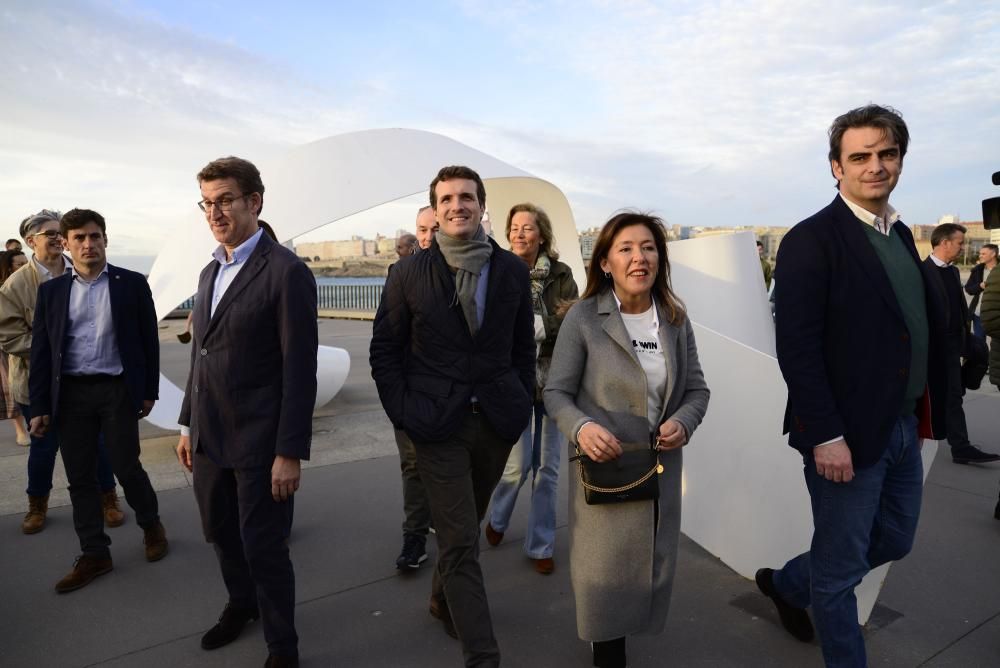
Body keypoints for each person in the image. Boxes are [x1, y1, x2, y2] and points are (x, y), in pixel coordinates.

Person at [758, 104, 948, 667]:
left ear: (900, 161)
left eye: (886, 154)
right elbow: (797, 348)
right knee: (840, 574)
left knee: (894, 540)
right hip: (843, 435)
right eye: (860, 156)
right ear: (836, 167)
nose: (875, 166)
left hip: (900, 425)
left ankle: (787, 584)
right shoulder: (811, 241)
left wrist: (919, 417)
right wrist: (825, 434)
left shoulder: (900, 238)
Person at [370, 165, 534, 667]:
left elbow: (520, 348)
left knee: (466, 523)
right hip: (436, 426)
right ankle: (482, 656)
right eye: (446, 199)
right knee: (462, 540)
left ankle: (442, 597)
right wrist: (406, 414)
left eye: (467, 197)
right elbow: (385, 352)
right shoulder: (407, 273)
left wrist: (520, 400)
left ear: (482, 205)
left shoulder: (510, 271)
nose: (457, 205)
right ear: (435, 209)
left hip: (495, 423)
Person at [544, 212, 710, 668]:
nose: (640, 257)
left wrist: (684, 422)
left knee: (647, 571)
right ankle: (606, 648)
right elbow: (555, 392)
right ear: (605, 263)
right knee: (603, 579)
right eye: (626, 249)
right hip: (606, 470)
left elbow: (697, 390)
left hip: (658, 469)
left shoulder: (675, 319)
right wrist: (582, 428)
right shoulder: (583, 318)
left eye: (649, 247)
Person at [175, 156, 317, 668]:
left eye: (225, 200)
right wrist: (188, 422)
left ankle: (283, 646)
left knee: (265, 546)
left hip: (260, 441)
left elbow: (300, 370)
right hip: (211, 436)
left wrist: (289, 452)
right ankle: (241, 604)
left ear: (254, 202)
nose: (215, 212)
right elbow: (201, 355)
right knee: (219, 532)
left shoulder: (286, 272)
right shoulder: (210, 270)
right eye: (207, 203)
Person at [28, 208, 167, 593]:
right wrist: (40, 404)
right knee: (80, 476)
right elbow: (42, 351)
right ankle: (94, 553)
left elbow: (147, 342)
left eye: (94, 236)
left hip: (116, 389)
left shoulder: (132, 284)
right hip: (71, 395)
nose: (88, 244)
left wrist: (148, 390)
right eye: (79, 238)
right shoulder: (52, 292)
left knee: (126, 465)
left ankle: (151, 525)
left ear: (105, 239)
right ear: (66, 245)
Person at [0, 210, 124, 534]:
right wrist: (52, 351)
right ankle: (36, 505)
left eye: (60, 232)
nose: (58, 237)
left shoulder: (82, 272)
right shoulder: (16, 285)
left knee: (98, 443)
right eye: (49, 233)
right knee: (43, 447)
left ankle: (108, 498)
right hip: (36, 383)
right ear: (30, 242)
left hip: (82, 382)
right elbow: (9, 335)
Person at [485, 203, 579, 575]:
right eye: (514, 228)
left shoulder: (561, 273)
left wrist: (533, 329)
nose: (519, 234)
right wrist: (537, 327)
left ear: (542, 234)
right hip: (515, 381)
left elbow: (568, 321)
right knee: (517, 466)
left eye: (528, 227)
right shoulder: (500, 270)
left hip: (555, 381)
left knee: (549, 469)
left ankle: (540, 545)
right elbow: (493, 325)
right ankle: (497, 517)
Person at [924, 224, 1000, 465]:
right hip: (933, 348)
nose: (963, 247)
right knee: (942, 397)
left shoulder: (954, 271)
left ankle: (960, 445)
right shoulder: (921, 271)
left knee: (957, 390)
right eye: (959, 242)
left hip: (956, 343)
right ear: (944, 242)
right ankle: (955, 445)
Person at [0, 250, 30, 446]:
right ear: (8, 267)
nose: (25, 267)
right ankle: (21, 430)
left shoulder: (30, 285)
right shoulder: (4, 291)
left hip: (26, 348)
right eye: (20, 264)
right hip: (6, 348)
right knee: (11, 389)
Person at [965, 243, 998, 341]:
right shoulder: (977, 270)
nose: (980, 256)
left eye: (983, 254)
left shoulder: (998, 270)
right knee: (979, 344)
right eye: (980, 253)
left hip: (997, 314)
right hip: (979, 314)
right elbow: (968, 289)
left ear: (993, 254)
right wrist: (980, 286)